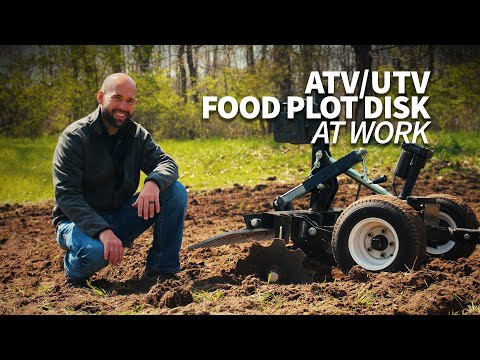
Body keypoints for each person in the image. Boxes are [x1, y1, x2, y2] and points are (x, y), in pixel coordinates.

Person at [52, 73, 188, 287]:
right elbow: (67, 195)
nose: (123, 107)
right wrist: (102, 230)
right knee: (95, 253)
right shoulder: (75, 138)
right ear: (100, 97)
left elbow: (167, 163)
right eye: (117, 98)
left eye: (130, 101)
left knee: (175, 191)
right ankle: (73, 268)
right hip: (76, 222)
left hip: (118, 216)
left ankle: (162, 272)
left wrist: (153, 183)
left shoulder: (137, 135)